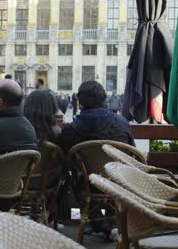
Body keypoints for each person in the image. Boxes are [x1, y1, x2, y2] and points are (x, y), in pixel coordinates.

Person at [56, 81, 134, 241]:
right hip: (119, 181)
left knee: (77, 178)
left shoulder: (72, 129)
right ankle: (112, 222)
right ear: (103, 98)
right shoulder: (121, 122)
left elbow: (62, 156)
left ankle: (100, 223)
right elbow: (132, 154)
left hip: (88, 184)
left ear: (79, 101)